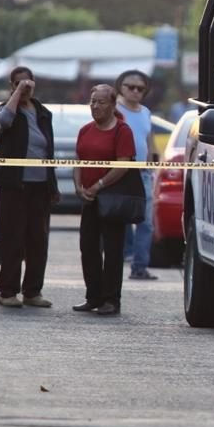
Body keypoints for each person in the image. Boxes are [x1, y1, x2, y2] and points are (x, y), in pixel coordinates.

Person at [0, 67, 60, 308]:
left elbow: (48, 149)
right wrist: (17, 94)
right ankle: (8, 291)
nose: (24, 88)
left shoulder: (43, 113)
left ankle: (32, 291)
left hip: (39, 186)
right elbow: (4, 122)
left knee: (37, 240)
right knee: (12, 239)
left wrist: (52, 186)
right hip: (13, 186)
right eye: (18, 84)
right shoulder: (5, 109)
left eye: (28, 83)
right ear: (12, 86)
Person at [73, 84, 137, 315]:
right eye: (92, 101)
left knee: (112, 249)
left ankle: (111, 299)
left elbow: (123, 163)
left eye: (100, 102)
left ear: (112, 105)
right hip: (89, 199)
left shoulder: (122, 131)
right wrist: (79, 186)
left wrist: (99, 185)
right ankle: (93, 296)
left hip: (111, 199)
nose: (95, 106)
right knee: (88, 248)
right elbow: (79, 159)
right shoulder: (85, 130)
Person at [115, 70, 158, 280]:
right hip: (119, 171)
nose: (134, 91)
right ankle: (118, 259)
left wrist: (152, 161)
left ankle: (140, 266)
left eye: (139, 88)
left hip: (142, 172)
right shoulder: (114, 110)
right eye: (130, 87)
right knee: (118, 218)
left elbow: (148, 139)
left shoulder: (145, 112)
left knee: (146, 222)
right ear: (120, 87)